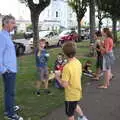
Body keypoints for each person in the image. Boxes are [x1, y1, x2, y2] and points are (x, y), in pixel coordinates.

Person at [55, 42, 88, 120]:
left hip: (70, 95)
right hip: (77, 91)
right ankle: (82, 117)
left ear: (65, 54)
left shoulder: (67, 67)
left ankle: (82, 117)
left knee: (70, 114)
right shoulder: (77, 62)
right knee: (75, 105)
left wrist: (57, 77)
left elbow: (64, 85)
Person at [0, 15, 23, 120]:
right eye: (12, 23)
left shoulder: (7, 35)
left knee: (9, 91)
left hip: (11, 69)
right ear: (5, 23)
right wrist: (4, 69)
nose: (14, 25)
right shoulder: (1, 36)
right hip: (8, 70)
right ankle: (10, 114)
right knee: (10, 92)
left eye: (14, 23)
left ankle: (9, 108)